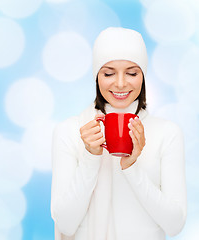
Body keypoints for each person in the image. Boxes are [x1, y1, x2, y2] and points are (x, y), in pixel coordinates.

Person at [50, 27, 187, 240]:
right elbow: (66, 224)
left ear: (143, 76)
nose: (121, 83)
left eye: (132, 73)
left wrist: (132, 168)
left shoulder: (167, 133)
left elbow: (175, 224)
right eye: (108, 73)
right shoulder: (70, 132)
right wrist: (90, 157)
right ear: (96, 76)